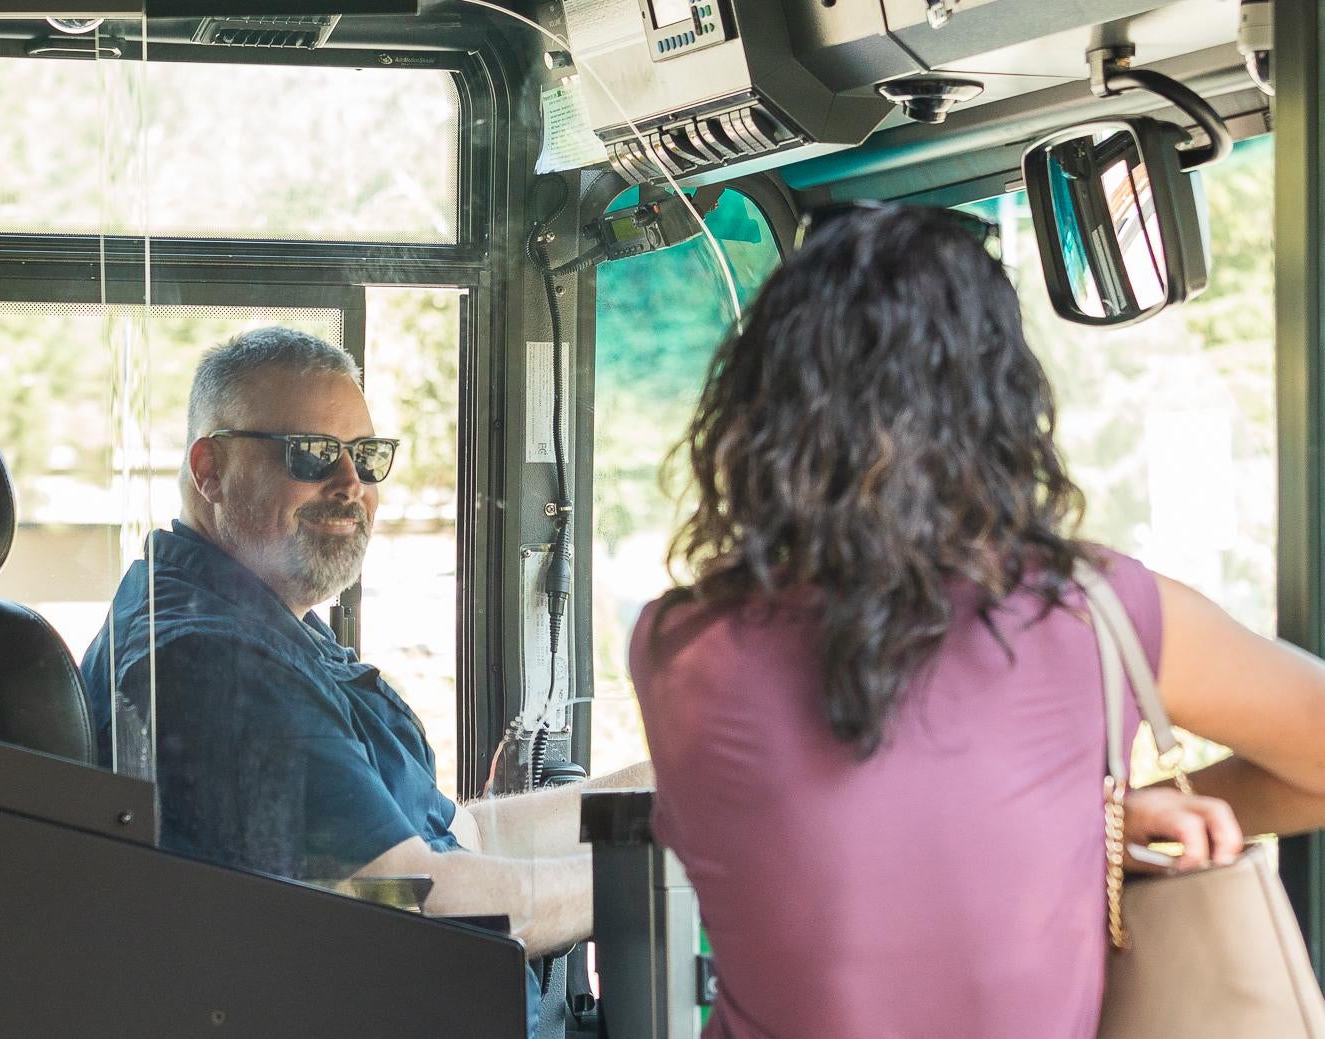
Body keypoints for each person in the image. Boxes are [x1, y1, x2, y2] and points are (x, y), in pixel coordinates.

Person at [628, 204, 1325, 1038]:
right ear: (1001, 406)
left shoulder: (675, 649)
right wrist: (1096, 826)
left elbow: (857, 843)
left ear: (760, 411)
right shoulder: (1097, 612)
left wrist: (1084, 827)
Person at [82, 327, 650, 969]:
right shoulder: (214, 663)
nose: (350, 483)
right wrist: (679, 875)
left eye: (367, 455)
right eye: (313, 453)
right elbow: (419, 903)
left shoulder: (262, 617)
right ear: (210, 471)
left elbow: (474, 834)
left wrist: (663, 807)